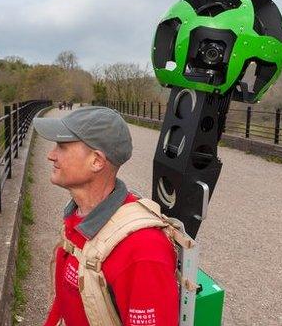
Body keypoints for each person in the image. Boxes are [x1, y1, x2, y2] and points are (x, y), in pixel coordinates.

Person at [33, 106, 179, 326]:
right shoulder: (78, 216)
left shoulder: (143, 249)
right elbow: (66, 305)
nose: (51, 155)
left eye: (62, 146)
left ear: (97, 161)